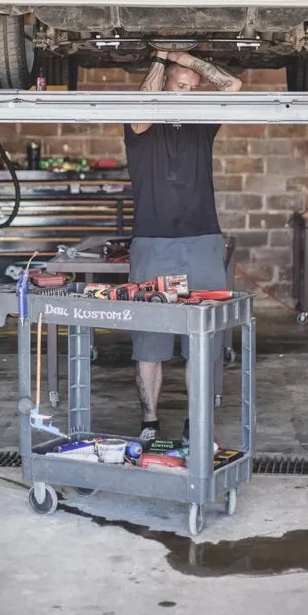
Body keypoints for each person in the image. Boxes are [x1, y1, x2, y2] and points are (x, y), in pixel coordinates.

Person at [123, 49, 243, 445]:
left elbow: (232, 85)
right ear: (164, 84)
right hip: (153, 243)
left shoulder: (201, 122)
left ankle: (197, 423)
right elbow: (143, 107)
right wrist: (160, 60)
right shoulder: (141, 126)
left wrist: (185, 59)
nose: (188, 93)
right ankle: (150, 423)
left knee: (203, 340)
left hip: (202, 240)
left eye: (193, 88)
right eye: (181, 85)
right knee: (149, 341)